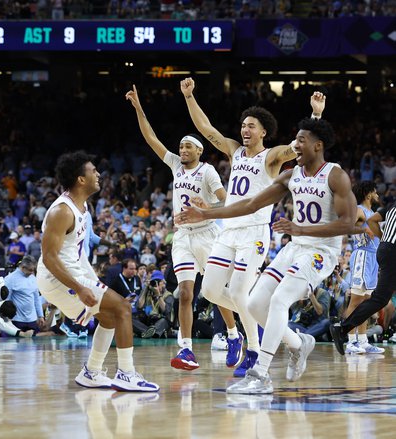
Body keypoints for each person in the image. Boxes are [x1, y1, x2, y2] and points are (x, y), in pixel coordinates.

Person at [177, 117, 356, 393]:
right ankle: (299, 344)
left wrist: (299, 228)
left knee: (279, 300)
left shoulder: (335, 175)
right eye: (294, 140)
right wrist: (207, 213)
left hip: (321, 252)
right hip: (294, 248)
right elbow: (249, 204)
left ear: (317, 146)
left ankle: (260, 374)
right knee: (254, 304)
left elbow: (348, 223)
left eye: (301, 141)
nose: (295, 145)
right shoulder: (290, 176)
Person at [179, 77, 326, 377]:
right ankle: (295, 340)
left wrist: (316, 116)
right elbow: (206, 130)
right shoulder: (234, 151)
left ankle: (254, 349)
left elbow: (298, 147)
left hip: (255, 233)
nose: (245, 130)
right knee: (210, 291)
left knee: (239, 293)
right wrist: (189, 97)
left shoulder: (270, 157)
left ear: (263, 131)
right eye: (243, 125)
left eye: (251, 126)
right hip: (229, 230)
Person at [126, 84, 232, 371]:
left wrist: (205, 209)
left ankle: (233, 335)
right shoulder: (174, 165)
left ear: (199, 150)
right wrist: (139, 108)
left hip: (208, 234)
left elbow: (227, 203)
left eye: (188, 146)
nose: (182, 150)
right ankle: (186, 350)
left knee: (216, 291)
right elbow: (151, 139)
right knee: (185, 293)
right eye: (181, 146)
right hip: (183, 237)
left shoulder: (208, 171)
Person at [37, 151, 159, 392]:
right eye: (93, 171)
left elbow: (76, 253)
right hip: (56, 277)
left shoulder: (82, 207)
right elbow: (50, 259)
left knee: (110, 317)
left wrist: (90, 280)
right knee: (123, 307)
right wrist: (80, 287)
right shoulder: (61, 211)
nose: (99, 174)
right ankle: (126, 374)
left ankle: (91, 372)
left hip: (71, 274)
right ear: (81, 179)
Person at [331, 203, 396, 355]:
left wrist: (384, 239)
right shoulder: (361, 209)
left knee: (377, 298)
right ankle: (343, 328)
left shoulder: (392, 205)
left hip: (383, 249)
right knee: (377, 299)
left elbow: (373, 221)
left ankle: (345, 330)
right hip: (389, 252)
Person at [343, 181, 384, 354]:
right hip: (362, 256)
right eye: (375, 192)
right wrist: (363, 230)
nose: (377, 195)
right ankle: (350, 341)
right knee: (355, 301)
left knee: (367, 302)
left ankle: (363, 341)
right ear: (368, 194)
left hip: (373, 258)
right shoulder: (359, 209)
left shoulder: (373, 213)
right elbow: (347, 226)